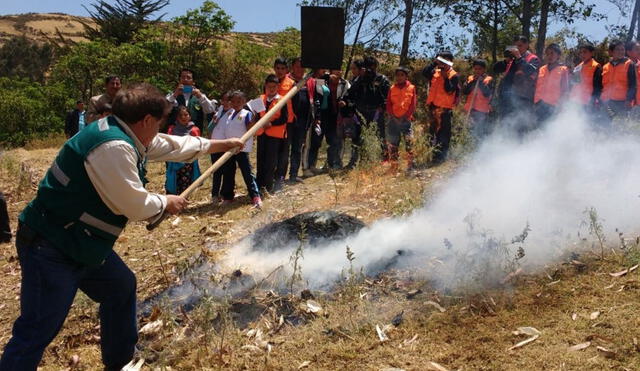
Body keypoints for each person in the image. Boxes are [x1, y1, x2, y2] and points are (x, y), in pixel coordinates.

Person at [0, 83, 243, 371]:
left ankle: (120, 361)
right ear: (146, 121)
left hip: (82, 242)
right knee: (38, 328)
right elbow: (133, 203)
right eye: (159, 123)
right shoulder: (112, 147)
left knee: (120, 287)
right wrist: (166, 202)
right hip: (52, 244)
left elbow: (174, 145)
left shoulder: (125, 131)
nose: (160, 129)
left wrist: (223, 145)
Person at [211, 91, 262, 207]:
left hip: (241, 148)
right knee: (228, 172)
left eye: (239, 101)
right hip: (229, 148)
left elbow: (250, 128)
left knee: (247, 172)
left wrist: (254, 118)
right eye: (233, 101)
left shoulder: (246, 114)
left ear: (244, 102)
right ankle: (228, 196)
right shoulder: (229, 113)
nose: (236, 103)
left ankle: (255, 196)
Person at [347, 56, 391, 161]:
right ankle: (358, 160)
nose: (371, 70)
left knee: (380, 136)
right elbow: (351, 93)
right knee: (358, 136)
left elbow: (388, 96)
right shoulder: (359, 79)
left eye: (373, 67)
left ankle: (385, 158)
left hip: (376, 112)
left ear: (376, 67)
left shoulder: (382, 79)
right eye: (368, 67)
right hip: (361, 112)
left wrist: (382, 108)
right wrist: (360, 78)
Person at [256, 74, 294, 194]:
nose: (271, 89)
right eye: (269, 86)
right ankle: (258, 186)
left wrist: (271, 124)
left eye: (274, 87)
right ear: (265, 86)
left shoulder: (282, 100)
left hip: (275, 136)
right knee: (260, 160)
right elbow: (257, 115)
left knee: (271, 162)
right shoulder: (260, 99)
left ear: (277, 87)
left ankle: (268, 187)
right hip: (262, 134)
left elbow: (284, 118)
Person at [422, 50, 459, 164]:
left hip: (445, 110)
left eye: (445, 60)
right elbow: (424, 73)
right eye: (441, 60)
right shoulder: (435, 72)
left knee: (443, 134)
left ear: (451, 61)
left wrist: (445, 77)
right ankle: (430, 155)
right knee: (431, 133)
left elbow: (450, 90)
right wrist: (434, 63)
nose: (443, 63)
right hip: (433, 108)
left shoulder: (454, 75)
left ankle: (441, 158)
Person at [165, 106, 202, 195]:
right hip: (174, 160)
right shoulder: (172, 129)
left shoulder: (194, 130)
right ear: (176, 117)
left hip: (187, 162)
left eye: (186, 115)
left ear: (190, 116)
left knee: (185, 183)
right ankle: (171, 203)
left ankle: (182, 203)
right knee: (172, 181)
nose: (183, 117)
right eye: (180, 115)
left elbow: (198, 145)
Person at [166, 68, 216, 134]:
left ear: (193, 81)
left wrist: (200, 96)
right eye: (183, 77)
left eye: (188, 77)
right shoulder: (172, 95)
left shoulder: (200, 96)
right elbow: (164, 108)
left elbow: (210, 110)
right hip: (174, 134)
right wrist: (175, 94)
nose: (185, 79)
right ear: (179, 80)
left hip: (194, 134)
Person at [385, 66, 417, 171]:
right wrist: (393, 117)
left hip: (406, 120)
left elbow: (413, 105)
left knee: (409, 143)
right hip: (393, 121)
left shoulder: (412, 88)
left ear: (406, 76)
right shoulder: (392, 88)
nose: (399, 77)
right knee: (393, 144)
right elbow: (388, 104)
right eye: (397, 75)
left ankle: (411, 165)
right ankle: (394, 167)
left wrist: (404, 117)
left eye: (402, 75)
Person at [287, 57, 312, 184]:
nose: (300, 69)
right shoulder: (287, 81)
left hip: (302, 122)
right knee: (284, 150)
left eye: (302, 67)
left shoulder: (307, 82)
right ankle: (279, 177)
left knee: (297, 149)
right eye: (297, 66)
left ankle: (293, 175)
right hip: (288, 122)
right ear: (292, 67)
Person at [533, 43, 570, 124]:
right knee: (538, 130)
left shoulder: (563, 69)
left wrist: (562, 106)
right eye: (547, 54)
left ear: (558, 55)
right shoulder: (542, 69)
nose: (549, 56)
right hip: (539, 104)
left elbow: (565, 90)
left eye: (552, 53)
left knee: (549, 130)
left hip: (553, 106)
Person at [601, 40, 637, 120]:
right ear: (611, 52)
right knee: (606, 125)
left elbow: (633, 84)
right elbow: (602, 85)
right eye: (617, 49)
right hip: (607, 102)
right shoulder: (605, 66)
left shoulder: (629, 64)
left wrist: (628, 100)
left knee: (621, 125)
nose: (621, 52)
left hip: (622, 102)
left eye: (622, 49)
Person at [340, 59, 365, 169]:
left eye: (354, 68)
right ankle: (353, 162)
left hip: (362, 113)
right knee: (355, 138)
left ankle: (363, 162)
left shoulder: (363, 81)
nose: (352, 70)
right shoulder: (352, 80)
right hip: (353, 114)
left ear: (360, 69)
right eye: (352, 68)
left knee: (362, 138)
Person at [209, 91, 233, 203]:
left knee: (227, 170)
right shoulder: (218, 111)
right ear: (221, 101)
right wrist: (214, 121)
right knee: (216, 170)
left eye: (229, 100)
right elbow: (210, 128)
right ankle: (215, 194)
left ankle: (225, 194)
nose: (226, 103)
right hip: (215, 143)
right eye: (224, 100)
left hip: (226, 145)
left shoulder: (234, 113)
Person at [462, 59, 494, 140]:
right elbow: (465, 91)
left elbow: (487, 93)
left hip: (482, 112)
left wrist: (480, 82)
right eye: (475, 69)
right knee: (469, 132)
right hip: (470, 111)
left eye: (479, 69)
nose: (477, 71)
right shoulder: (470, 78)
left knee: (480, 133)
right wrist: (473, 82)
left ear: (484, 69)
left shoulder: (488, 80)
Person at [569, 43, 603, 112]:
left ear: (592, 53)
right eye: (581, 52)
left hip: (589, 101)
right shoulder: (578, 67)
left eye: (585, 52)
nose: (582, 54)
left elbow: (598, 86)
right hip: (576, 101)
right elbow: (575, 83)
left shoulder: (596, 66)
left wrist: (596, 99)